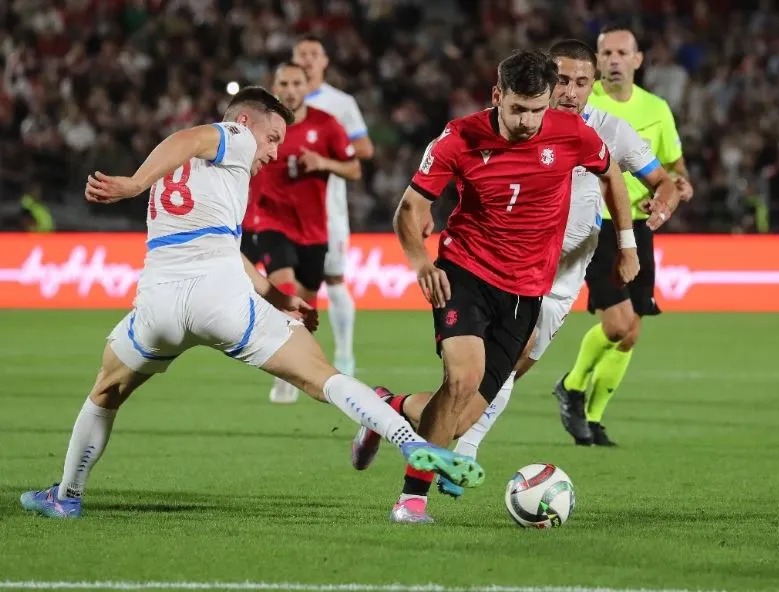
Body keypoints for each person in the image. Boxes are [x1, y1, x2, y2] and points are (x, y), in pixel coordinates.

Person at [18, 86, 483, 519]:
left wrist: (277, 295)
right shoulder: (232, 135)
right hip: (220, 300)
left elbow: (222, 244)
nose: (274, 152)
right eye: (273, 138)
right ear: (245, 121)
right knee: (322, 376)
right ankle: (407, 440)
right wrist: (134, 183)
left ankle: (66, 497)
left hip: (159, 304)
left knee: (104, 392)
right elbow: (193, 135)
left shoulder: (199, 175)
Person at [350, 40, 678, 497]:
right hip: (475, 270)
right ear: (503, 94)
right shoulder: (469, 135)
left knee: (474, 400)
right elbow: (415, 201)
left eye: (579, 83)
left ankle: (389, 409)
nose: (566, 94)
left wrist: (629, 242)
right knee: (464, 380)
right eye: (559, 82)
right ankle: (434, 479)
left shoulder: (590, 132)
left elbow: (628, 178)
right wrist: (422, 251)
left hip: (546, 283)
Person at [555, 23, 696, 446]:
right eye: (607, 53)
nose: (614, 60)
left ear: (637, 60)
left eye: (623, 53)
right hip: (594, 224)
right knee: (618, 325)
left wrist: (675, 192)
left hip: (638, 225)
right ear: (596, 63)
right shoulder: (578, 98)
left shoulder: (656, 109)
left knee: (632, 331)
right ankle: (574, 386)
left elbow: (673, 167)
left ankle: (593, 421)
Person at [252, 63, 361, 405]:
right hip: (271, 223)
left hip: (314, 230)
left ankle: (298, 368)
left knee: (306, 309)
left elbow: (354, 167)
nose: (290, 88)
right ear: (275, 86)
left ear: (306, 87)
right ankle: (285, 373)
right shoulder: (258, 125)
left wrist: (324, 163)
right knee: (284, 292)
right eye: (283, 82)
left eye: (296, 82)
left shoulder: (326, 124)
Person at [292, 34, 375, 377]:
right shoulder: (279, 103)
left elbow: (365, 150)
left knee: (334, 278)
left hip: (328, 209)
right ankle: (294, 360)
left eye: (315, 53)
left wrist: (325, 157)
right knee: (288, 285)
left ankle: (343, 357)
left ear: (325, 61)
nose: (309, 59)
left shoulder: (340, 103)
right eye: (302, 54)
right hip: (282, 210)